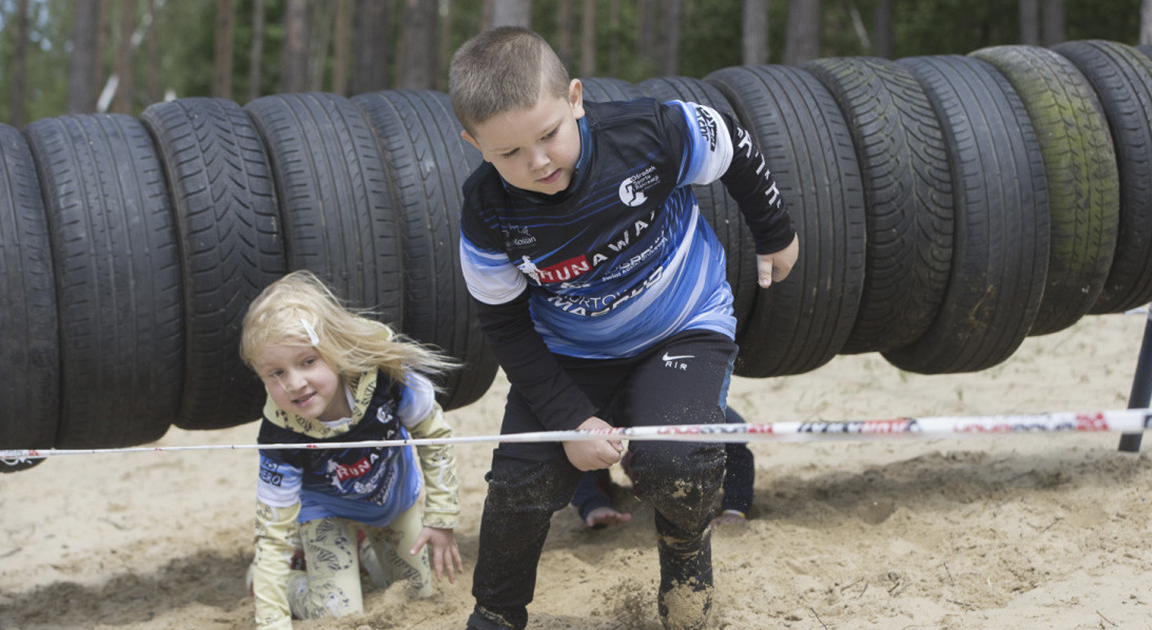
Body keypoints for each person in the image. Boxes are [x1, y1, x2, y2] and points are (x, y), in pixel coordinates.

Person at [449, 27, 798, 630]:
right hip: (570, 351)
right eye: (507, 153)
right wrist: (571, 419)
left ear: (576, 99)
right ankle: (496, 614)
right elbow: (503, 325)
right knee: (521, 481)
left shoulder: (650, 132)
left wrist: (776, 232)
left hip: (684, 325)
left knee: (676, 463)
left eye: (549, 135)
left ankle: (686, 575)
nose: (537, 162)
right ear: (473, 143)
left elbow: (733, 142)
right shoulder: (486, 211)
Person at [240, 270, 464, 630]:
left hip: (391, 495)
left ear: (334, 350)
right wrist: (271, 622)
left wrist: (441, 518)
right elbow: (272, 530)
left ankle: (362, 551)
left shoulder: (388, 377)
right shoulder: (279, 432)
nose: (294, 383)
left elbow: (434, 437)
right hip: (324, 509)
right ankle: (291, 583)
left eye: (308, 361)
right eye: (275, 373)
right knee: (340, 615)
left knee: (417, 594)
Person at [571, 405, 756, 530]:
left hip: (678, 397)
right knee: (588, 441)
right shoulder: (605, 400)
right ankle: (642, 466)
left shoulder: (700, 403)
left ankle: (657, 463)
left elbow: (738, 444)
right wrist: (594, 505)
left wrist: (735, 509)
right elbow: (581, 445)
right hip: (612, 388)